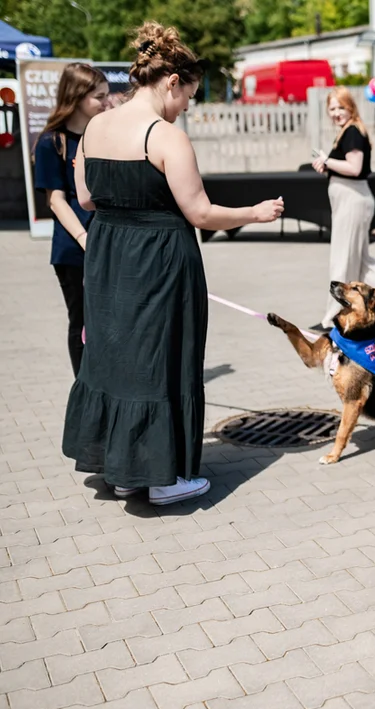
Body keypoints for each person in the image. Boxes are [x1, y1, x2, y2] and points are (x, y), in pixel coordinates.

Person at [63, 22, 284, 505]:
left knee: (118, 358)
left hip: (107, 259)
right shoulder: (165, 137)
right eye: (189, 95)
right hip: (160, 261)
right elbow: (200, 213)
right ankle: (163, 479)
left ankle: (123, 472)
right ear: (171, 82)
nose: (188, 105)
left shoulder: (95, 125)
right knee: (163, 359)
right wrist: (256, 213)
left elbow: (85, 198)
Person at [33, 63, 108, 377]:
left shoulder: (103, 135)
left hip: (105, 242)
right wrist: (83, 238)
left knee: (107, 319)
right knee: (81, 320)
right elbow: (56, 201)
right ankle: (85, 388)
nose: (106, 102)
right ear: (77, 97)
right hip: (73, 248)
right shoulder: (53, 142)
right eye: (99, 97)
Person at [312, 87, 375, 331]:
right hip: (351, 199)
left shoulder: (352, 132)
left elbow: (355, 167)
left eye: (341, 107)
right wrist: (327, 165)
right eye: (332, 108)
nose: (337, 113)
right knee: (361, 259)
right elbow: (346, 166)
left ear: (351, 107)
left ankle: (333, 316)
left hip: (353, 200)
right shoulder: (348, 131)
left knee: (344, 258)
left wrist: (327, 161)